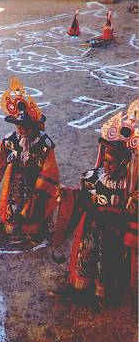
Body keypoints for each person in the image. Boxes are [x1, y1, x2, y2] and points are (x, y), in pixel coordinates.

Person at [58, 101, 138, 310]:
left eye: (111, 162)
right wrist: (66, 195)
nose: (106, 164)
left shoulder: (130, 188)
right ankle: (79, 290)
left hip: (114, 234)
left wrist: (109, 210)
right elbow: (82, 199)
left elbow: (131, 213)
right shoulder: (93, 178)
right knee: (86, 257)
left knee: (107, 266)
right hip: (92, 229)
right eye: (105, 160)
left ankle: (102, 297)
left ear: (123, 163)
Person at [0, 77, 59, 245]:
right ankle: (7, 231)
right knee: (12, 208)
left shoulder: (44, 143)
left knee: (34, 209)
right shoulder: (12, 139)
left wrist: (40, 186)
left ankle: (35, 232)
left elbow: (50, 168)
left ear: (32, 126)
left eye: (23, 126)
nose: (20, 129)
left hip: (35, 183)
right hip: (16, 181)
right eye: (18, 125)